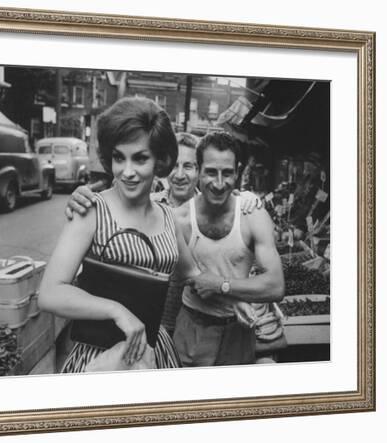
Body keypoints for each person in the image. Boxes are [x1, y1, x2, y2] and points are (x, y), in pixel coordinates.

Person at [38, 97, 198, 373]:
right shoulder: (91, 210)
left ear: (160, 160)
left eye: (140, 158)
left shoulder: (169, 218)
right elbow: (49, 293)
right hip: (99, 358)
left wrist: (236, 295)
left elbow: (192, 273)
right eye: (118, 157)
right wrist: (117, 310)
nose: (128, 172)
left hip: (153, 352)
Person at [65, 132, 262, 337]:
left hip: (192, 327)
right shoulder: (148, 206)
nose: (179, 175)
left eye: (188, 166)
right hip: (142, 323)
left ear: (201, 170)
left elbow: (198, 277)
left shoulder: (222, 207)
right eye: (174, 165)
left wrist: (246, 198)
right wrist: (82, 199)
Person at [173, 132, 284, 366]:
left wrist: (220, 284)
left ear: (238, 172)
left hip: (239, 330)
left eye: (228, 173)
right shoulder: (180, 219)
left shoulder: (253, 215)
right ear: (199, 170)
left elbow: (275, 286)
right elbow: (185, 275)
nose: (219, 183)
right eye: (211, 172)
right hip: (193, 327)